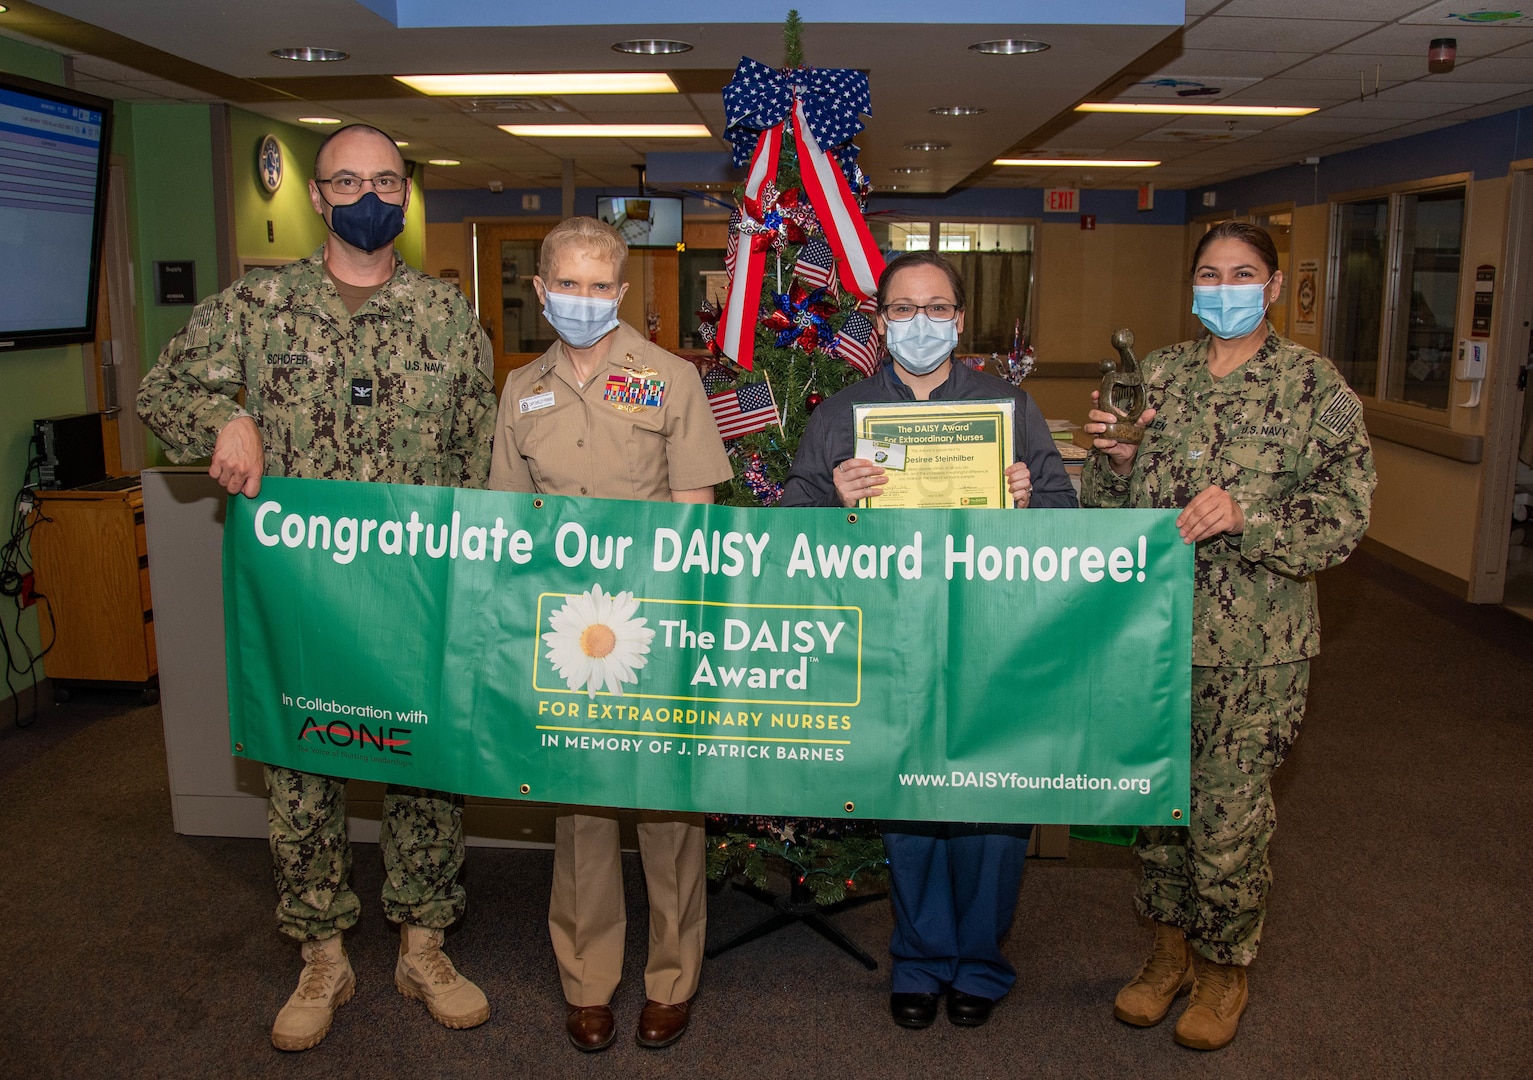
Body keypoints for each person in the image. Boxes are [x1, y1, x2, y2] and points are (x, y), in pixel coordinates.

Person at [137, 124, 497, 1052]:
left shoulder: (446, 316)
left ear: (405, 192)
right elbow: (161, 393)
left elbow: (475, 450)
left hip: (419, 587)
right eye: (347, 180)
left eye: (385, 179)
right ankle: (323, 954)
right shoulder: (255, 308)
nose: (367, 194)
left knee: (428, 766)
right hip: (301, 588)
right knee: (303, 769)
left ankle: (424, 945)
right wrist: (226, 416)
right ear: (319, 198)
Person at [1082, 220, 1376, 1051]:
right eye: (1208, 274)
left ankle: (1222, 968)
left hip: (1254, 652)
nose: (1223, 288)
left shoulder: (1317, 390)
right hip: (1151, 636)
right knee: (1158, 813)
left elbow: (1343, 521)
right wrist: (1108, 460)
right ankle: (1165, 952)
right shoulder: (1158, 377)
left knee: (1227, 820)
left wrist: (1248, 516)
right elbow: (1111, 516)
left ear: (1274, 286)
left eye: (1242, 273)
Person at [781, 250, 1077, 1029]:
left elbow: (1066, 521)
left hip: (989, 634)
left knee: (991, 804)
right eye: (903, 310)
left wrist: (1025, 498)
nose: (921, 323)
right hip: (891, 637)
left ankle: (979, 961)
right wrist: (833, 502)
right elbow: (787, 533)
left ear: (958, 319)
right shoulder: (841, 413)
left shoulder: (1007, 407)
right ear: (880, 322)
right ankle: (918, 958)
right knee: (909, 804)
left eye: (936, 308)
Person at [487, 216, 733, 1053]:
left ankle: (671, 981)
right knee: (582, 811)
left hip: (654, 628)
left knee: (668, 813)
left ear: (622, 293)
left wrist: (659, 611)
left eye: (601, 287)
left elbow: (695, 510)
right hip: (564, 639)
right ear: (542, 288)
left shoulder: (669, 380)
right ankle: (588, 983)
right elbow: (508, 523)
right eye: (569, 284)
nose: (584, 300)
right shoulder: (521, 391)